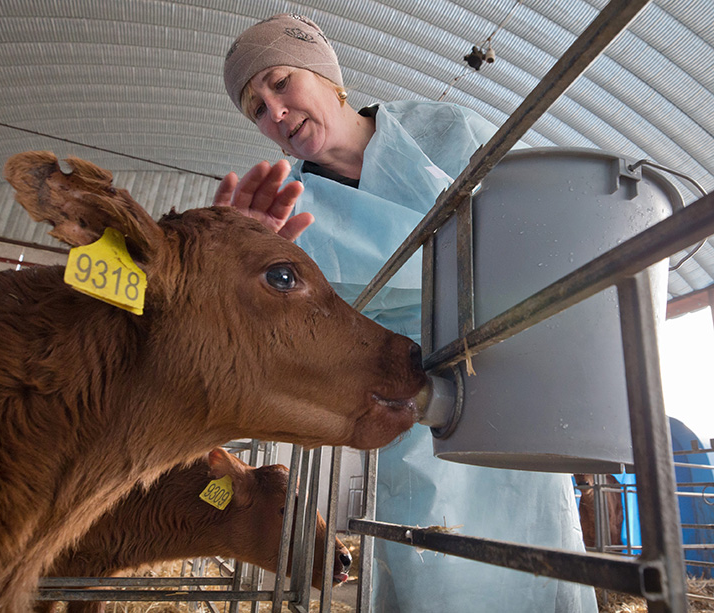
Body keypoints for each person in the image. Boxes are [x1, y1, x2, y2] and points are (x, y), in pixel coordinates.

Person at [216, 13, 598, 613]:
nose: (276, 113)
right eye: (258, 109)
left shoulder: (438, 131)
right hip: (413, 405)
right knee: (432, 558)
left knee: (535, 542)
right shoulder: (292, 207)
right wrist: (253, 260)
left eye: (281, 83)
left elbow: (538, 221)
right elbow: (283, 325)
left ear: (327, 76)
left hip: (507, 373)